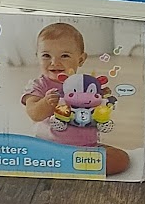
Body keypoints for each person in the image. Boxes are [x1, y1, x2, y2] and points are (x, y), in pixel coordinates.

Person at [22, 21, 130, 174]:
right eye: (46, 55)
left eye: (64, 56)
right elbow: (34, 113)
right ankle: (67, 164)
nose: (54, 62)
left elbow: (96, 109)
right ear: (37, 57)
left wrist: (101, 98)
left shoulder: (84, 83)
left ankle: (74, 164)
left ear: (80, 59)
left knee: (121, 159)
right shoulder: (39, 85)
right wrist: (46, 102)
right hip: (50, 145)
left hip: (86, 145)